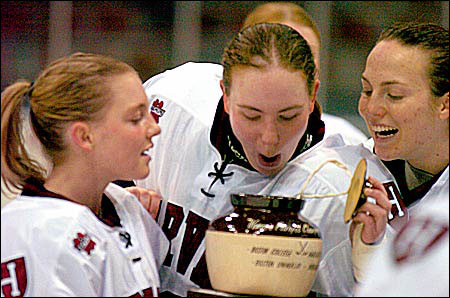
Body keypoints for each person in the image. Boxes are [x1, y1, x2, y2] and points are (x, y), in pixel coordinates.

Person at [136, 23, 392, 297]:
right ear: (226, 94)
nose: (269, 138)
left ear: (312, 96)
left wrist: (372, 255)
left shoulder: (336, 186)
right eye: (252, 115)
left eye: (288, 116)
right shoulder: (172, 100)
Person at [1, 52, 169, 296]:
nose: (154, 128)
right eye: (136, 118)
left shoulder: (126, 206)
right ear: (84, 136)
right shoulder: (42, 235)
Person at [353, 21, 449, 295]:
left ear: (445, 104)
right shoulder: (346, 167)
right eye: (367, 90)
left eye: (393, 95)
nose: (372, 109)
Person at [242, 1, 369, 145]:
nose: (302, 65)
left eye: (309, 53)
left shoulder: (346, 141)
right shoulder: (215, 134)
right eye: (286, 52)